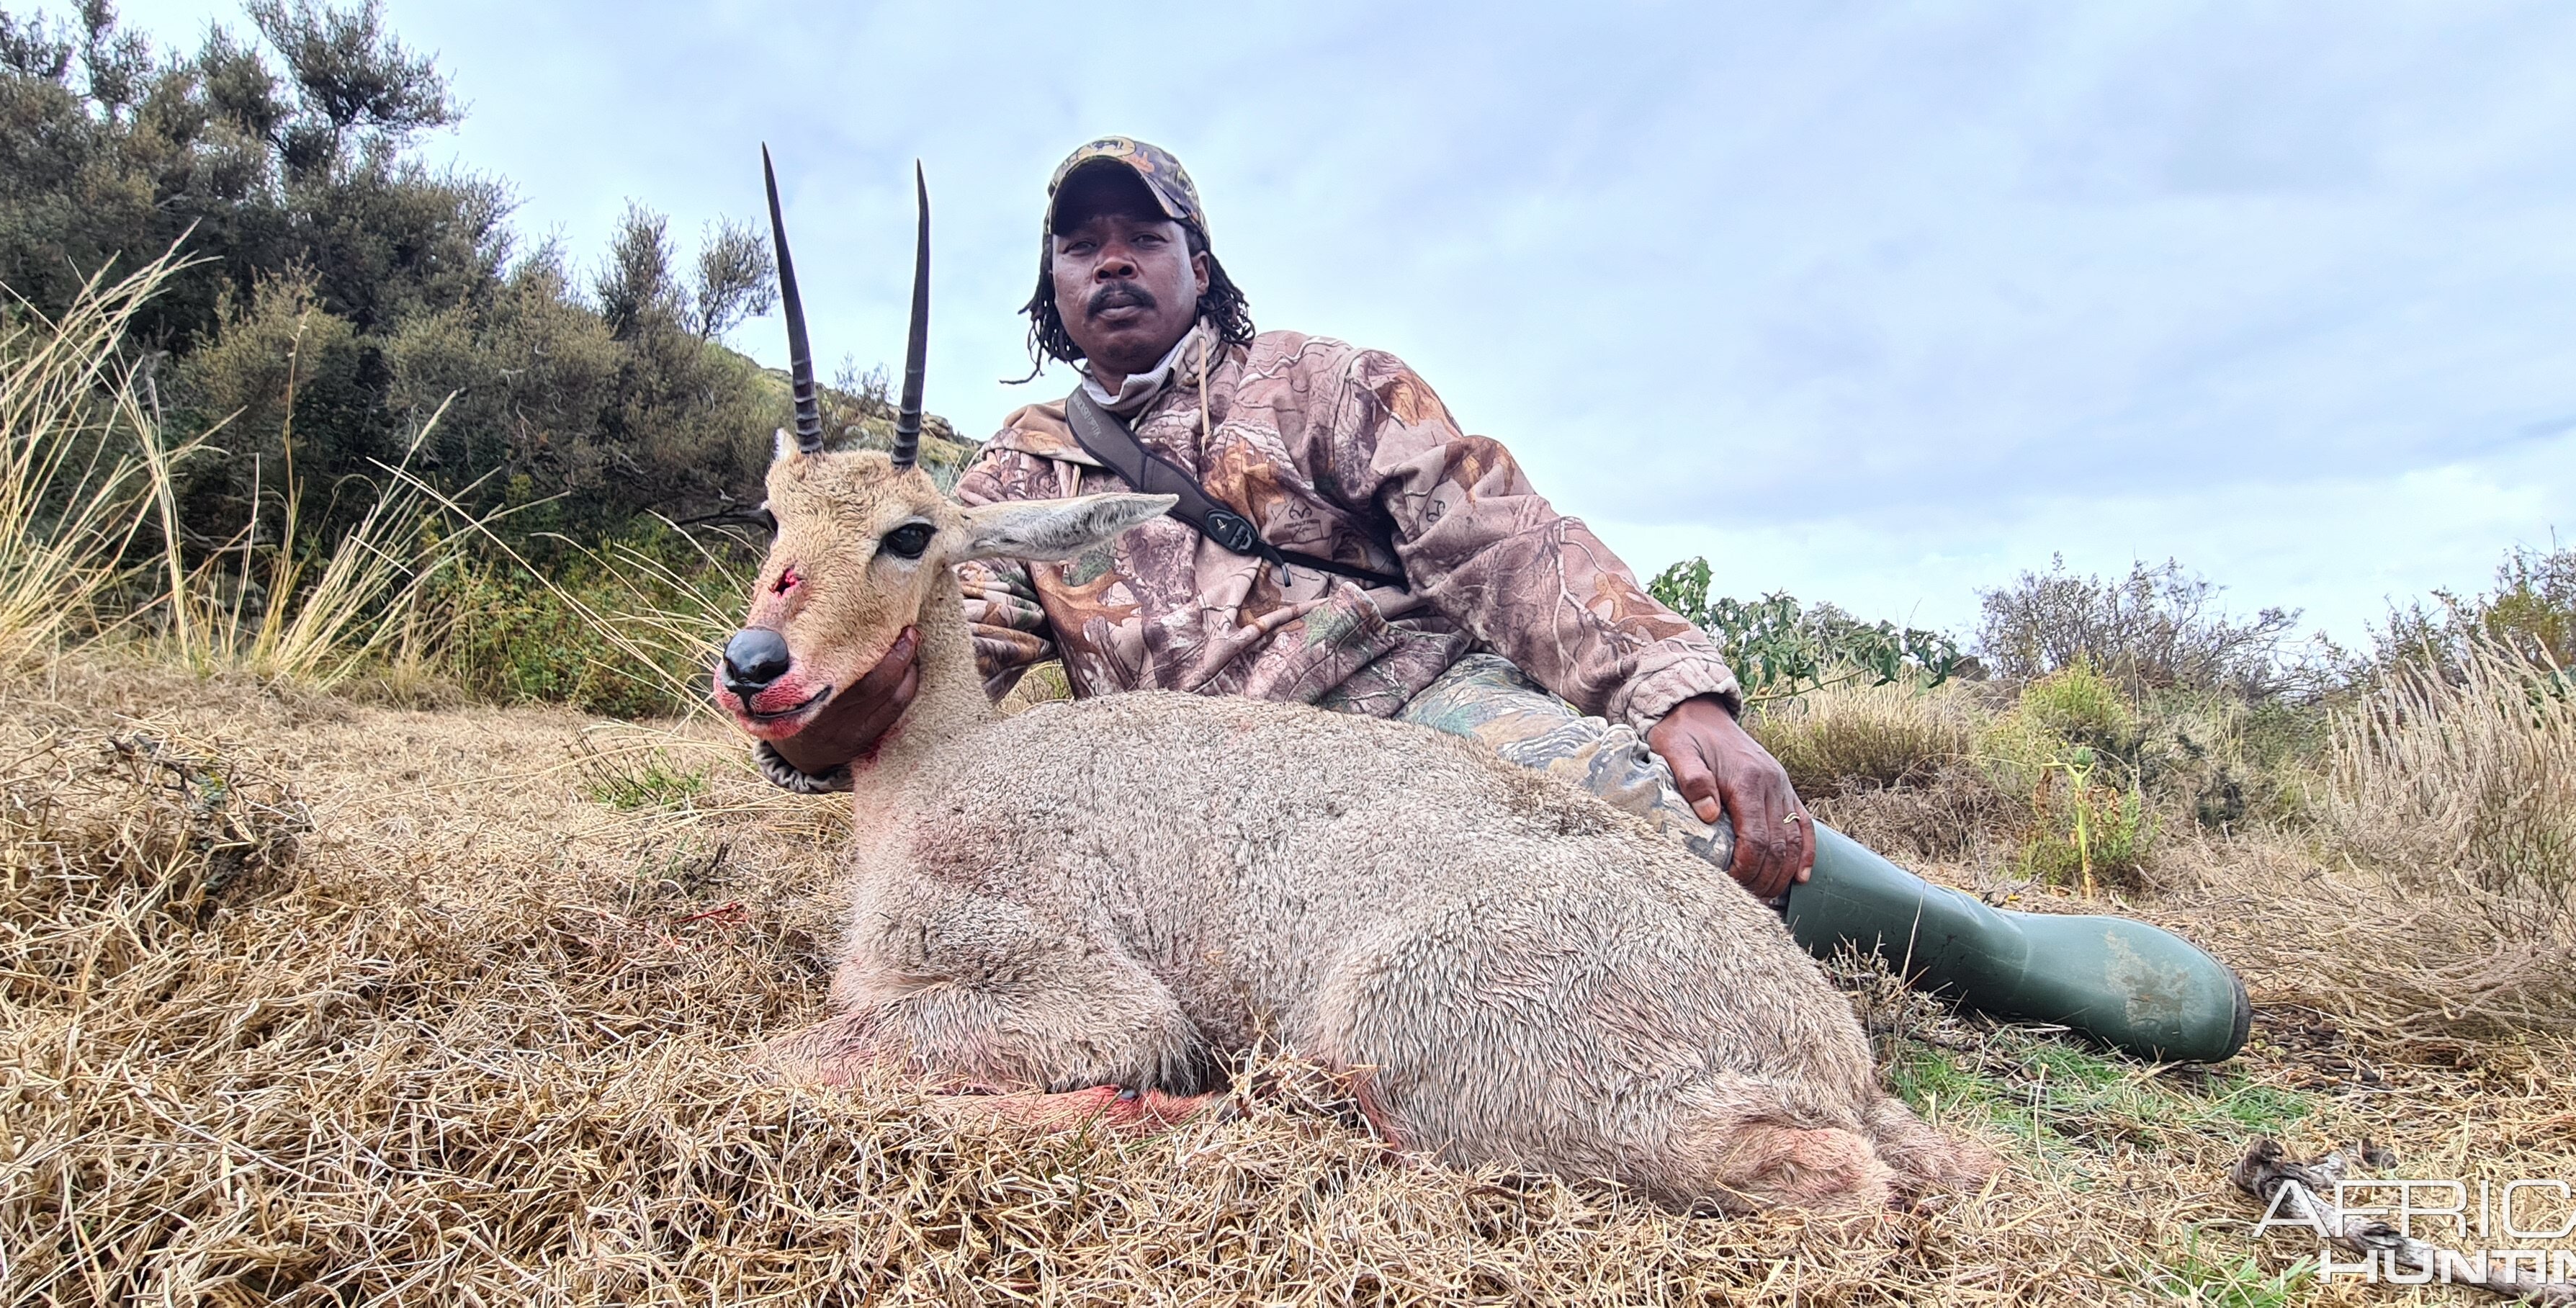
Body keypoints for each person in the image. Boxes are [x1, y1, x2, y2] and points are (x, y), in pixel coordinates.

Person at [754, 138, 2252, 1064]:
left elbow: (1508, 542)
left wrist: (1685, 698)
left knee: (1648, 827)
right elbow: (924, 663)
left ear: (1203, 262)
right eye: (1081, 246)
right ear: (1052, 293)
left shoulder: (1324, 382)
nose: (1113, 260)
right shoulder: (1000, 486)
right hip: (1203, 810)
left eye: (1143, 232)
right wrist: (812, 724)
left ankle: (1973, 941)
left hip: (1423, 715)